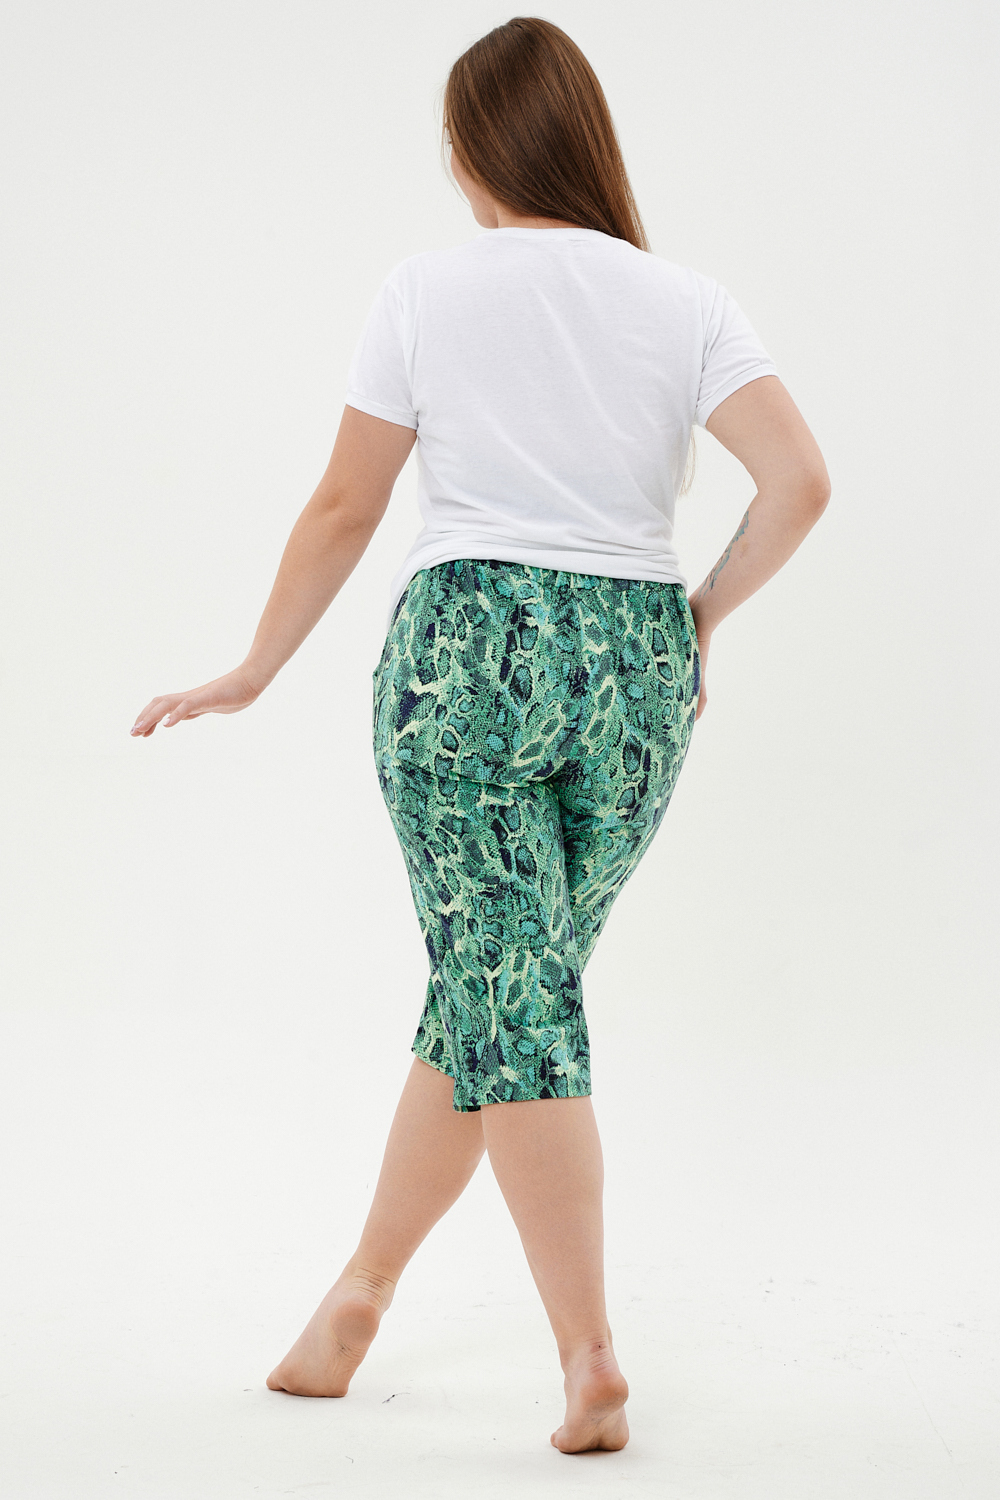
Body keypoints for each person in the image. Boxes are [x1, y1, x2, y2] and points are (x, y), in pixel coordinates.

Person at [130, 16, 830, 1455]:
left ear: (467, 151)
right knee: (504, 990)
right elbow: (801, 483)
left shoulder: (424, 291)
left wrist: (256, 667)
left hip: (466, 659)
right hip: (635, 671)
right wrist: (696, 621)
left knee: (513, 997)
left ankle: (588, 1358)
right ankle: (357, 1300)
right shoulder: (687, 301)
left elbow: (345, 506)